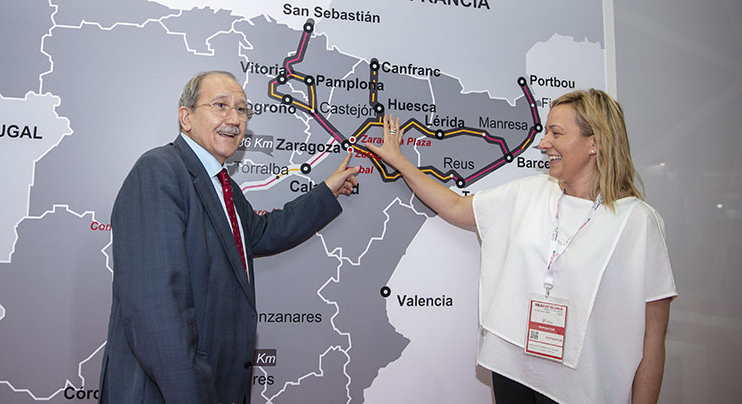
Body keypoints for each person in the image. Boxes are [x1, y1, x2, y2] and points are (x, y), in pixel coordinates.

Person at [365, 89, 676, 403]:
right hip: (514, 370)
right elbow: (456, 208)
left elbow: (652, 337)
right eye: (545, 132)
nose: (543, 143)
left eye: (556, 133)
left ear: (594, 142)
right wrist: (400, 161)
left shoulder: (638, 222)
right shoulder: (530, 192)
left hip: (580, 390)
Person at [99, 70, 359, 404]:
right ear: (186, 117)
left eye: (241, 109)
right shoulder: (160, 170)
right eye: (220, 105)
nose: (234, 118)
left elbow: (262, 233)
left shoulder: (224, 186)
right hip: (167, 392)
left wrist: (326, 192)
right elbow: (156, 313)